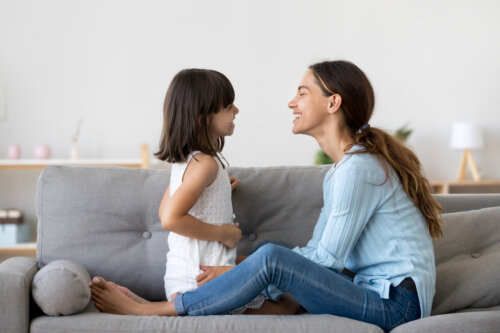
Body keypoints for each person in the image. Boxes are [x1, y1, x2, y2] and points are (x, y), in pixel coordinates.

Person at [90, 60, 442, 332]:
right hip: (374, 291)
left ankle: (153, 309)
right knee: (271, 265)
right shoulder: (343, 169)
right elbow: (320, 254)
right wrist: (241, 268)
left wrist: (242, 271)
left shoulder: (357, 169)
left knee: (271, 257)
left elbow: (324, 261)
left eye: (303, 93)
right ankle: (175, 301)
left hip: (396, 306)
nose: (292, 102)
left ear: (333, 102)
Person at [90, 68, 298, 315]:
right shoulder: (205, 165)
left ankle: (147, 304)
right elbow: (170, 218)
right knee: (289, 305)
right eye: (229, 106)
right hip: (203, 281)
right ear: (202, 118)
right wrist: (223, 233)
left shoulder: (189, 163)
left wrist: (218, 190)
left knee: (283, 290)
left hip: (188, 277)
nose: (237, 111)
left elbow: (165, 209)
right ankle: (147, 310)